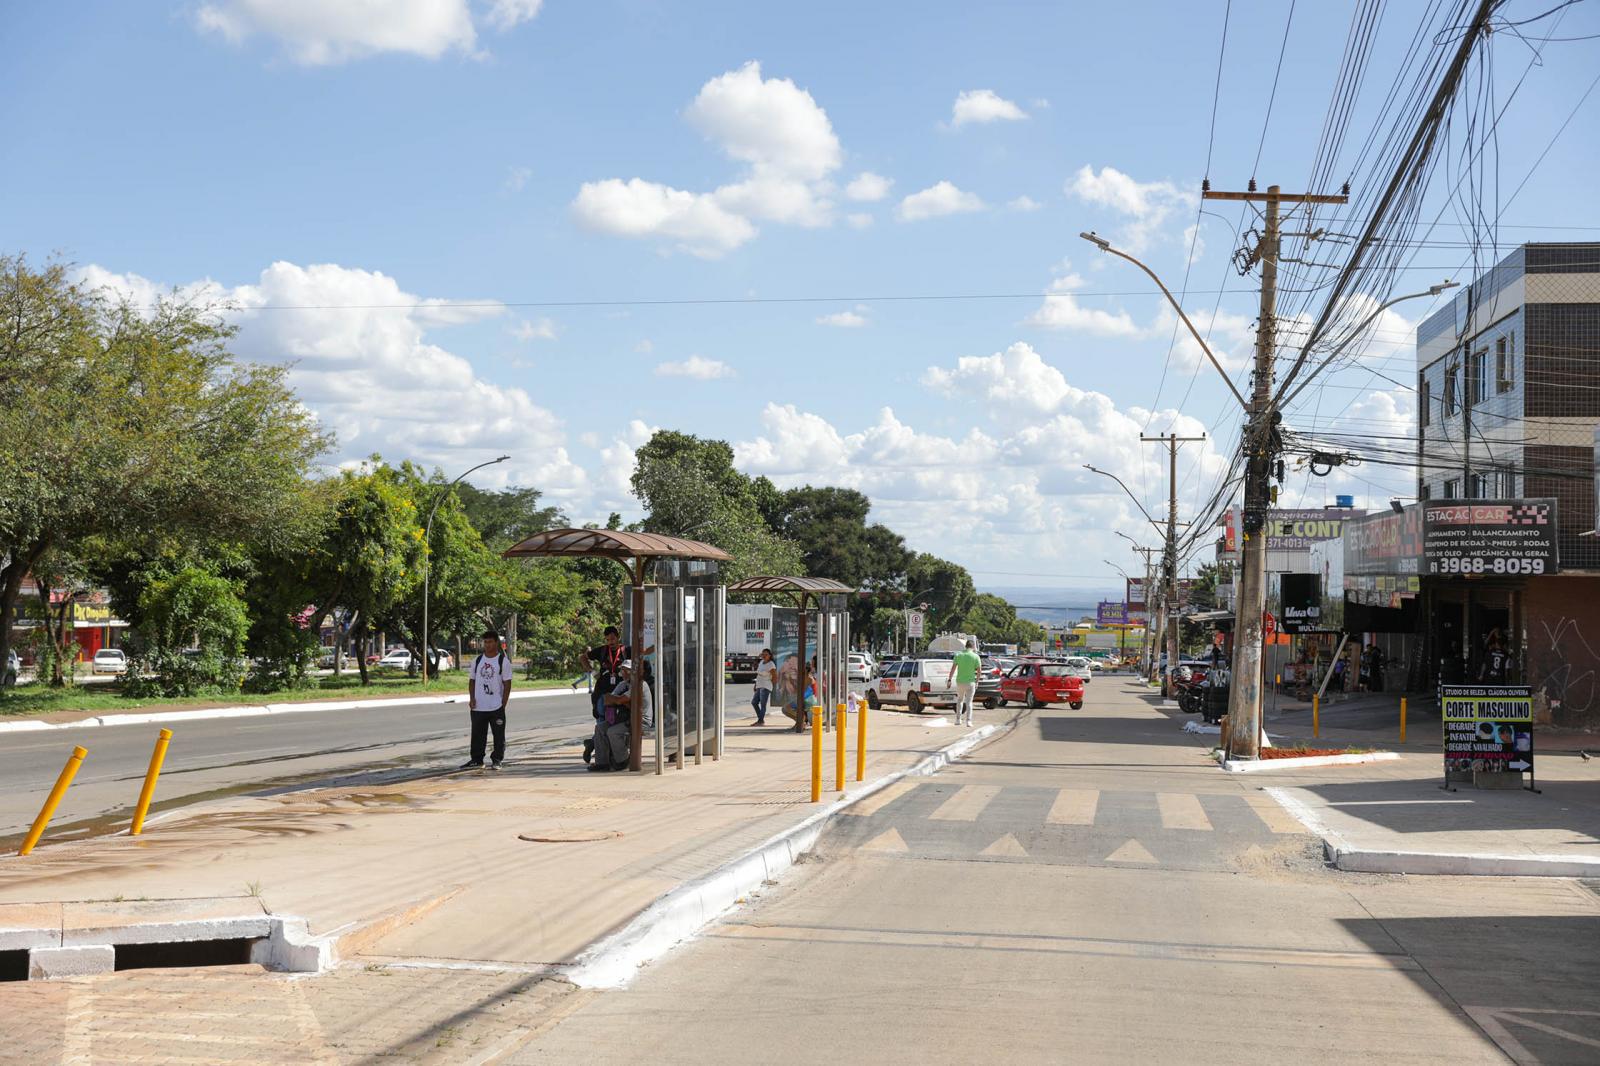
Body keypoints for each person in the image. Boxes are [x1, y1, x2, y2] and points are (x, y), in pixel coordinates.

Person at [461, 630, 513, 770]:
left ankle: (497, 760)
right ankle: (477, 759)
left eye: (490, 642)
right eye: (485, 642)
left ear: (496, 643)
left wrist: (503, 703)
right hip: (479, 706)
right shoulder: (477, 661)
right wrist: (472, 698)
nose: (487, 645)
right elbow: (472, 681)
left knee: (498, 735)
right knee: (477, 735)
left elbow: (507, 684)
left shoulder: (503, 661)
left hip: (496, 706)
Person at [593, 659, 653, 772]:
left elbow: (620, 700)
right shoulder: (624, 684)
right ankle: (602, 763)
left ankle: (622, 760)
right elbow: (607, 699)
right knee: (600, 728)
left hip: (640, 721)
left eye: (626, 670)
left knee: (613, 732)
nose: (623, 673)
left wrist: (619, 701)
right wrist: (621, 701)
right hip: (625, 718)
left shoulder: (639, 684)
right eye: (622, 670)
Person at [946, 639, 982, 726]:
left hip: (960, 682)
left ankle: (958, 719)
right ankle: (969, 721)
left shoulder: (958, 655)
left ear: (965, 646)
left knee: (959, 700)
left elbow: (953, 669)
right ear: (973, 647)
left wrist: (949, 679)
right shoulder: (975, 656)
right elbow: (979, 671)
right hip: (970, 682)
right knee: (969, 702)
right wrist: (977, 681)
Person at [751, 648, 777, 725]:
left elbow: (774, 677)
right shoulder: (761, 662)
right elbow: (758, 675)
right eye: (763, 654)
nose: (764, 656)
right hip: (759, 685)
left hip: (766, 686)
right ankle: (761, 719)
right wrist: (755, 685)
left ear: (770, 655)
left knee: (763, 704)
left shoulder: (771, 664)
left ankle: (760, 721)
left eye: (766, 654)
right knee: (754, 702)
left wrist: (771, 686)